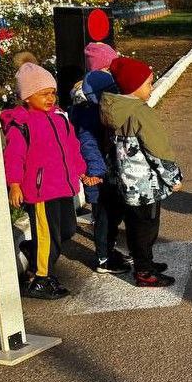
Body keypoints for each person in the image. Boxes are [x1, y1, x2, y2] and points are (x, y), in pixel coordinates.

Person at [1, 52, 88, 299]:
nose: (50, 98)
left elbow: (72, 145)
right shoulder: (23, 124)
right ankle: (41, 278)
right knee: (48, 234)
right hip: (39, 191)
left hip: (62, 186)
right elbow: (14, 158)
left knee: (67, 230)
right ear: (27, 97)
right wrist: (15, 184)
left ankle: (32, 249)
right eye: (43, 94)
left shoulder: (60, 117)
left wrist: (81, 170)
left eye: (52, 93)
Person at [100, 56, 183, 287]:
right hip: (145, 184)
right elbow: (158, 150)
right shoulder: (140, 113)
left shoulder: (114, 110)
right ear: (134, 87)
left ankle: (143, 262)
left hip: (127, 184)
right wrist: (173, 177)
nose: (152, 87)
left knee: (136, 226)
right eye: (148, 83)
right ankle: (145, 271)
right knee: (147, 228)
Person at [69, 61, 131, 274]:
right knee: (104, 218)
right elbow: (88, 145)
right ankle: (104, 259)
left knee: (113, 215)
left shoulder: (96, 110)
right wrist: (96, 171)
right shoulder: (89, 115)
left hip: (107, 174)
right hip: (98, 178)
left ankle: (109, 251)